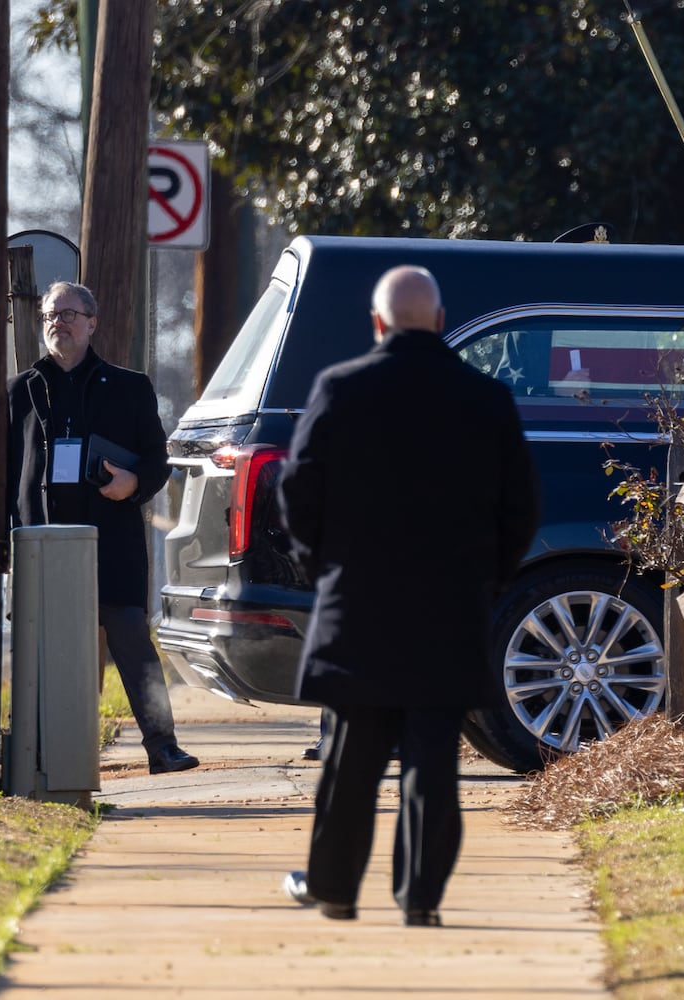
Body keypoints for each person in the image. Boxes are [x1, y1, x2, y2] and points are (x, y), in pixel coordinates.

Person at [277, 265, 540, 925]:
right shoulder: (486, 400)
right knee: (433, 766)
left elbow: (297, 494)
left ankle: (335, 889)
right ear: (441, 321)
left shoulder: (339, 389)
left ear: (376, 323)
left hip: (357, 605)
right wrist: (490, 577)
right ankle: (419, 899)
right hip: (449, 607)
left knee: (349, 764)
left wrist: (322, 569)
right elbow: (521, 508)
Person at [6, 280, 199, 776]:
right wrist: (8, 546)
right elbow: (4, 476)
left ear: (93, 323)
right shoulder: (19, 391)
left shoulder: (130, 387)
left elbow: (159, 460)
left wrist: (133, 483)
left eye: (69, 314)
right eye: (51, 314)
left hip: (110, 545)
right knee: (43, 656)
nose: (59, 322)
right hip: (41, 545)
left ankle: (163, 746)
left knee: (135, 650)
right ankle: (41, 757)